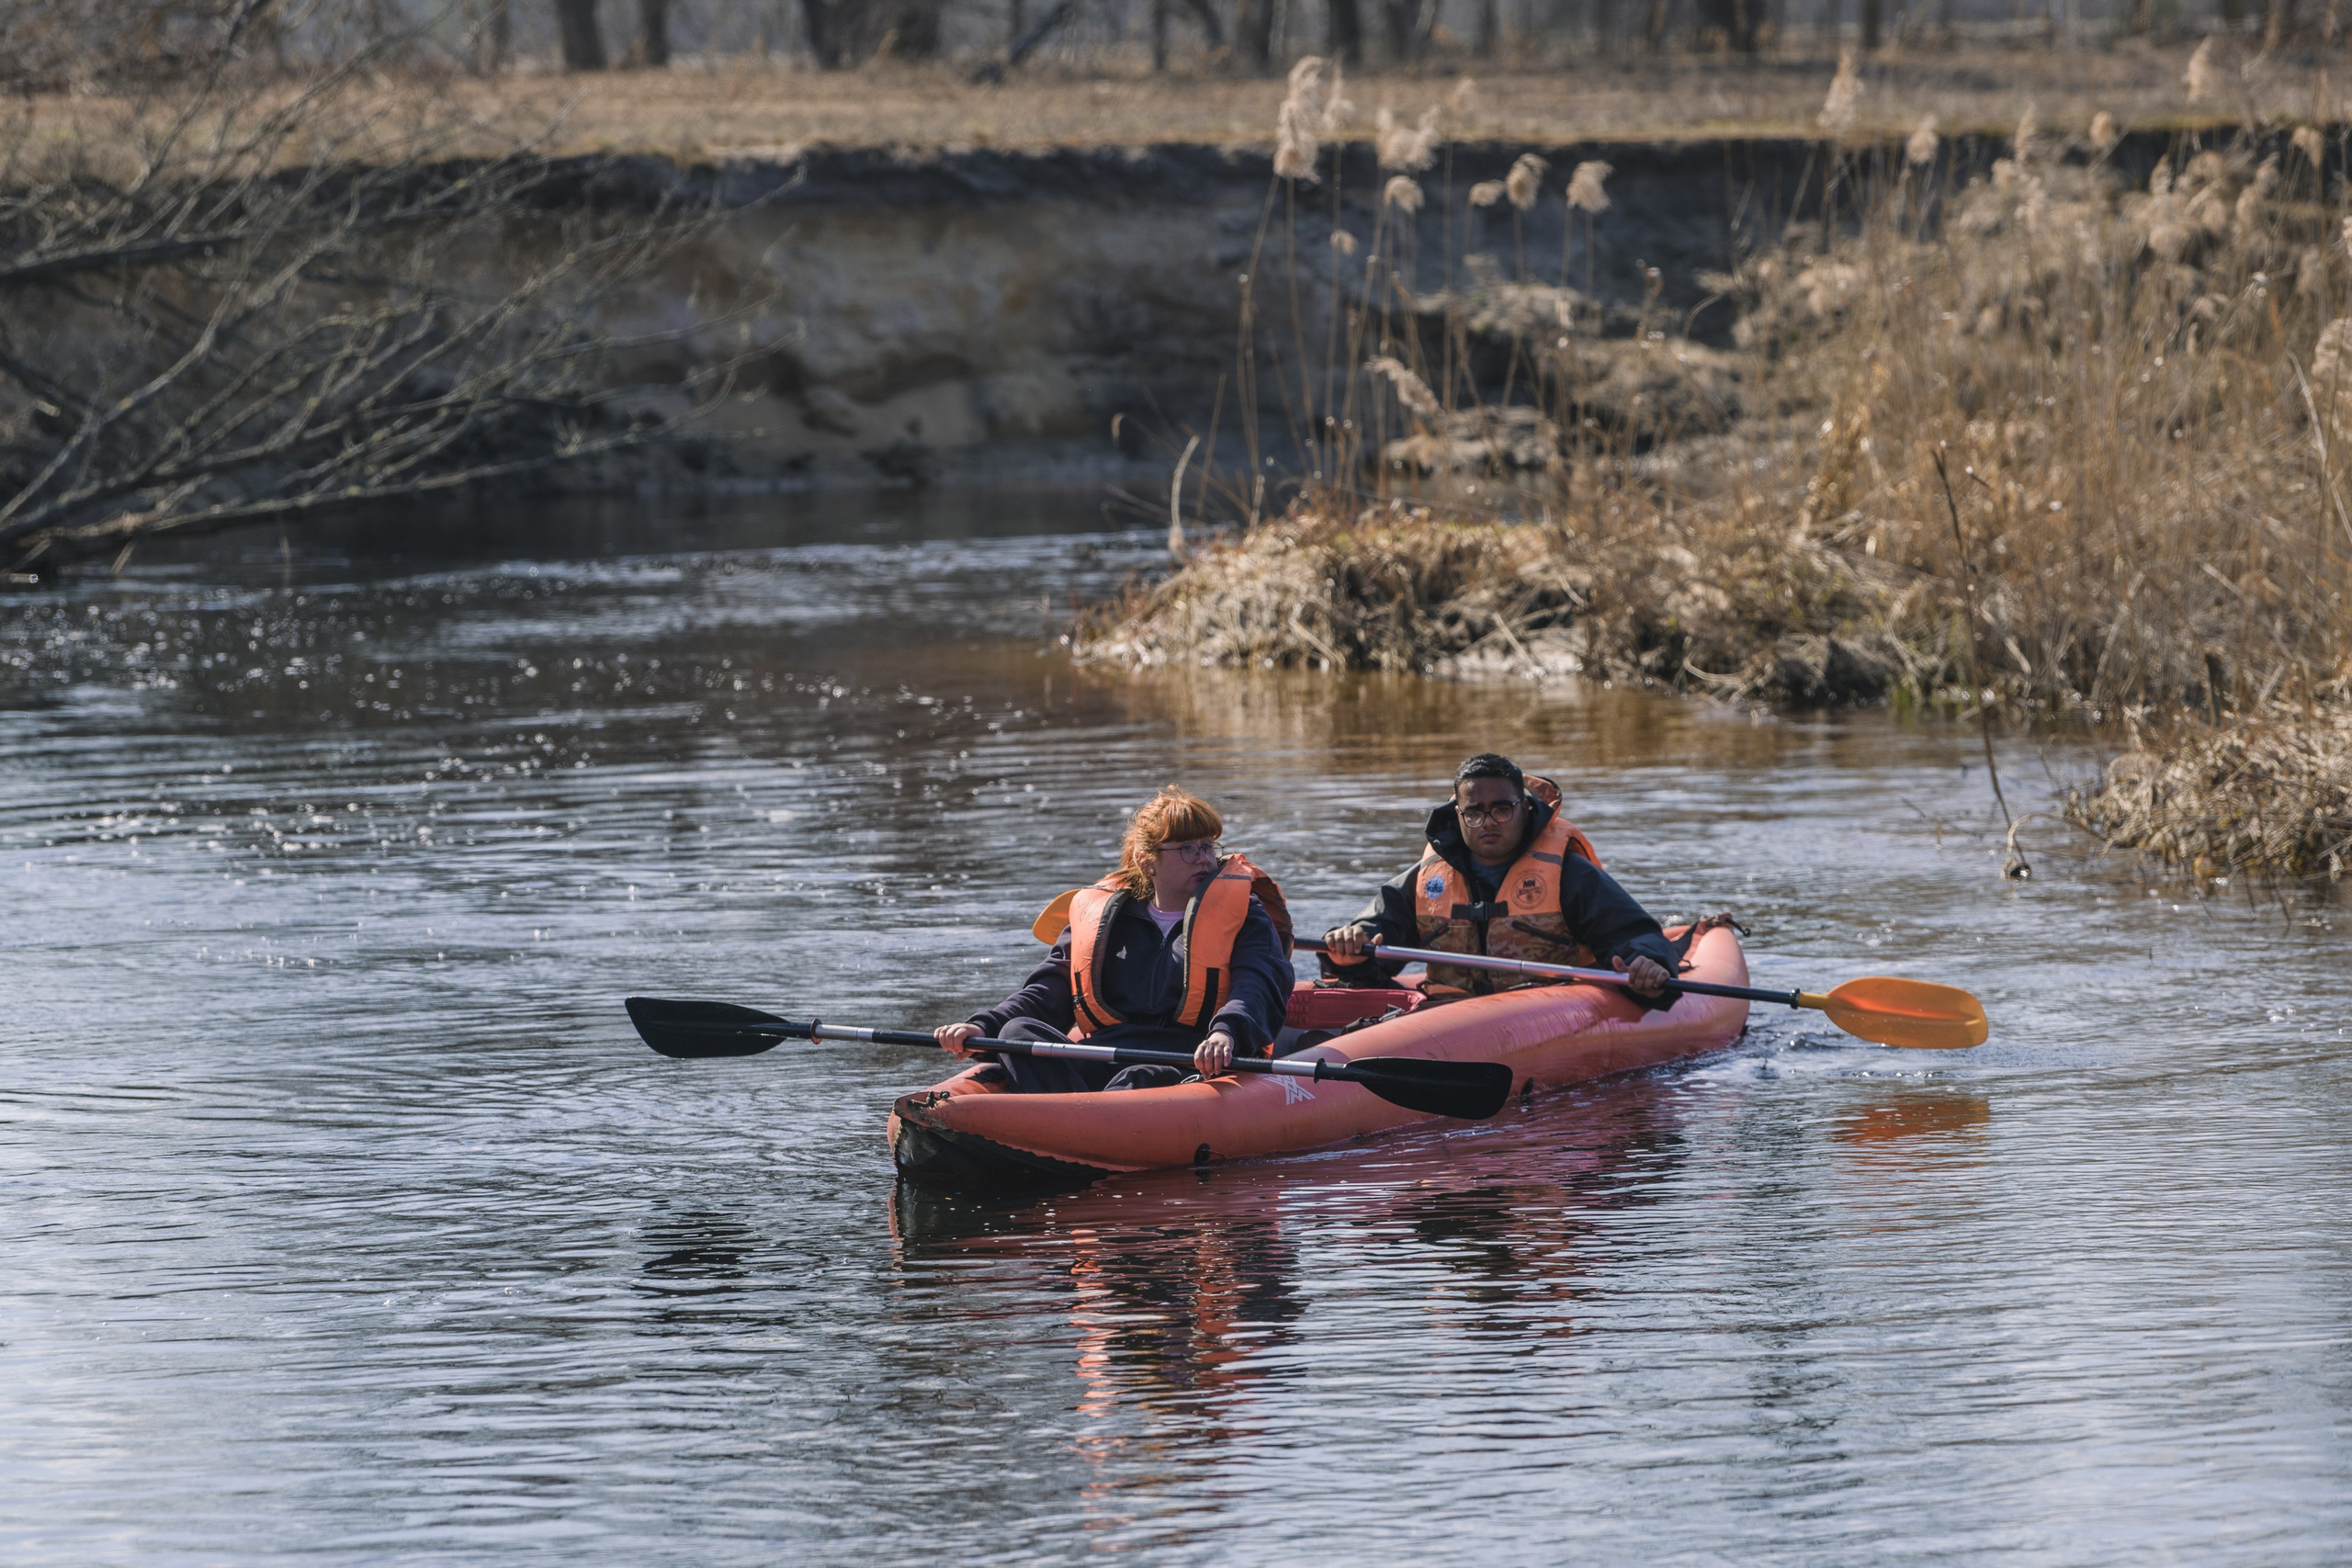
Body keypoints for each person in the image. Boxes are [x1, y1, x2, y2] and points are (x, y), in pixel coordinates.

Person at [933, 786, 1294, 1092]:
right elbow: (1049, 989)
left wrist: (1226, 1034)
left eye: (1208, 847)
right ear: (1147, 861)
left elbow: (1256, 984)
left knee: (1141, 1078)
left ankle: (1085, 1125)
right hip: (1102, 1056)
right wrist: (984, 1025)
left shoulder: (1245, 914)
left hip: (1190, 1060)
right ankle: (1071, 1122)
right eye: (1187, 849)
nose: (1204, 860)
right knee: (1018, 1032)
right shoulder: (1104, 916)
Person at [1321, 752, 1679, 1001]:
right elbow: (1373, 934)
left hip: (1552, 1012)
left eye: (1502, 810)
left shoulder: (1570, 875)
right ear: (1458, 816)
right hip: (1448, 1014)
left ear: (1524, 810)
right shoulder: (1424, 880)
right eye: (1474, 812)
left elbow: (1633, 935)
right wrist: (1349, 946)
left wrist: (1648, 962)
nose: (1488, 821)